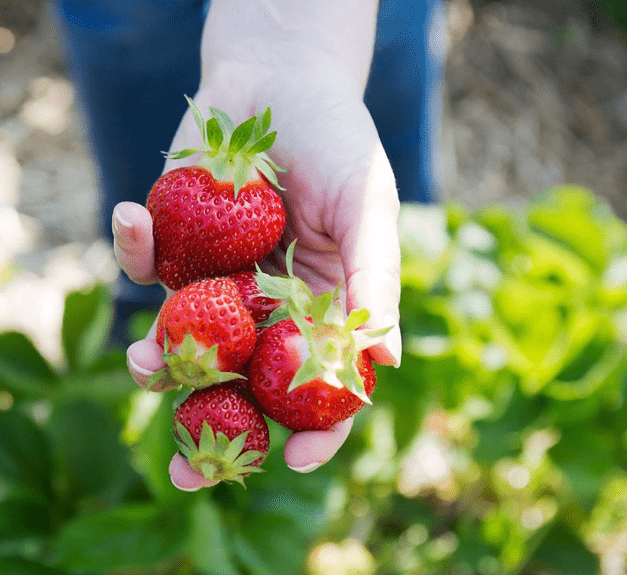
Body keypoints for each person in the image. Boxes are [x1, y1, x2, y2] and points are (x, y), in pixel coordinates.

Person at [53, 0, 445, 491]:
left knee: (381, 25)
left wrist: (308, 54)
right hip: (209, 292)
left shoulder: (261, 212)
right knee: (129, 20)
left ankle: (152, 302)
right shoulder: (243, 210)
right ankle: (144, 297)